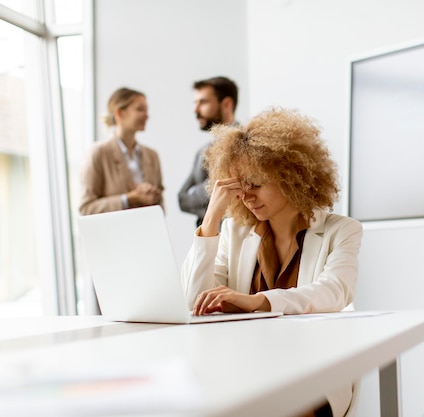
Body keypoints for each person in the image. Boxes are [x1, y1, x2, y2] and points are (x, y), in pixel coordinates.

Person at [180, 108, 363, 417]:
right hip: (247, 369)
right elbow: (192, 301)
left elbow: (334, 291)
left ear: (292, 177)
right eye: (241, 186)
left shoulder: (341, 230)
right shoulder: (235, 232)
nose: (247, 196)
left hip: (315, 367)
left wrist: (255, 302)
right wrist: (211, 218)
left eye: (256, 183)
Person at [79, 87, 163, 215]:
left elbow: (161, 206)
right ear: (119, 113)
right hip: (112, 233)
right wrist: (129, 199)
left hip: (145, 232)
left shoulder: (152, 156)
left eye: (147, 110)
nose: (147, 115)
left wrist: (153, 197)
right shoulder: (99, 153)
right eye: (140, 109)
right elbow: (86, 208)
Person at [178, 76, 239, 227]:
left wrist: (198, 192)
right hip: (207, 240)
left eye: (203, 102)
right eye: (195, 103)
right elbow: (182, 199)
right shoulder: (202, 152)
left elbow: (231, 194)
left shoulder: (245, 144)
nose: (195, 109)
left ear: (227, 104)